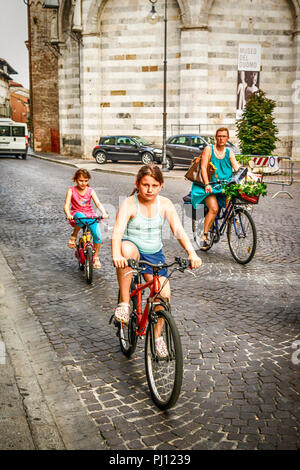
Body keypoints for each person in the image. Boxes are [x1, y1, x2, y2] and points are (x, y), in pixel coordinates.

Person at [111, 164, 202, 357]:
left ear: (160, 186)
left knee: (164, 294)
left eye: (154, 185)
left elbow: (178, 230)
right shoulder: (129, 203)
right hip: (132, 247)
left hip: (154, 253)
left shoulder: (166, 204)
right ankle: (125, 304)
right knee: (126, 250)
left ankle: (157, 337)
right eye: (145, 185)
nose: (149, 189)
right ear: (138, 184)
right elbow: (118, 231)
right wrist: (116, 255)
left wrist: (191, 253)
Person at [191, 128, 241, 250]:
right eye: (219, 136)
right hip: (210, 186)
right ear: (216, 137)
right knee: (213, 209)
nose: (221, 138)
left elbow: (236, 168)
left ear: (227, 138)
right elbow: (203, 168)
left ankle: (229, 218)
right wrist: (207, 184)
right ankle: (204, 235)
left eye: (224, 136)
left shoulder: (229, 152)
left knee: (232, 204)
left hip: (224, 186)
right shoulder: (209, 149)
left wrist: (246, 177)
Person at [64, 169, 108, 269]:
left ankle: (96, 256)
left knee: (97, 236)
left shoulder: (90, 191)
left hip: (89, 214)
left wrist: (104, 213)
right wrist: (68, 214)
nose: (83, 183)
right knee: (79, 218)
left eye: (86, 180)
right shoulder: (71, 190)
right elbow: (66, 205)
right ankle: (74, 235)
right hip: (77, 214)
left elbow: (98, 203)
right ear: (75, 180)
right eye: (81, 180)